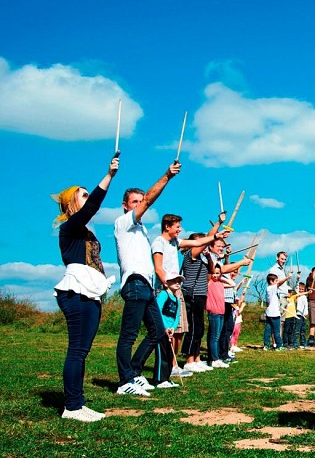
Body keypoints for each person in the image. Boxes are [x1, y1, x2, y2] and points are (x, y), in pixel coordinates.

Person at [53, 156, 118, 421]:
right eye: (83, 194)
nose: (88, 196)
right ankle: (72, 406)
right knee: (77, 349)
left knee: (83, 350)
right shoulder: (70, 227)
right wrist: (109, 175)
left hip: (89, 292)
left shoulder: (84, 231)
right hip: (76, 292)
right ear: (72, 204)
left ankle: (77, 403)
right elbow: (92, 207)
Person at [114, 162, 180, 397]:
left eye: (140, 201)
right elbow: (149, 201)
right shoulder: (123, 223)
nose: (140, 205)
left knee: (158, 332)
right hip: (133, 284)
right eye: (135, 202)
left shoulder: (141, 230)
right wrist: (166, 176)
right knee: (128, 335)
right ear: (125, 206)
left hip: (146, 288)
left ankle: (135, 372)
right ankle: (125, 381)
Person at [152, 214, 222, 377]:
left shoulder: (176, 242)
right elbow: (158, 267)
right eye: (177, 226)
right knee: (170, 330)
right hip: (169, 289)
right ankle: (171, 365)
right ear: (167, 226)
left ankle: (174, 364)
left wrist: (216, 234)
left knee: (180, 329)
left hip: (177, 290)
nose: (180, 229)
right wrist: (166, 286)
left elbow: (200, 241)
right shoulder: (159, 242)